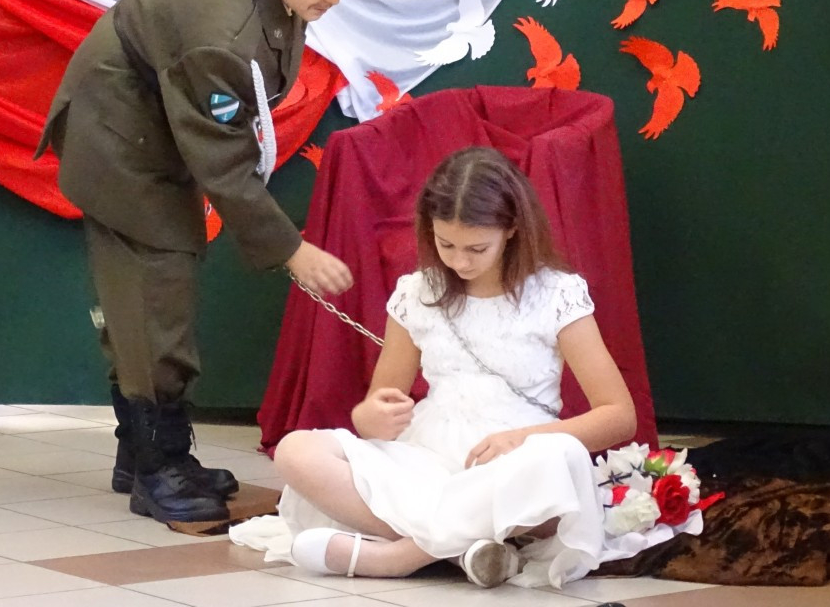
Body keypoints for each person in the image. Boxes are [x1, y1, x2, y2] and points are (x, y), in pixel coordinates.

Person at [35, 0, 385, 526]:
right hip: (120, 138)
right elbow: (222, 158)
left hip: (157, 123)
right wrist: (291, 250)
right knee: (155, 296)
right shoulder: (222, 33)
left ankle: (143, 454)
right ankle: (157, 469)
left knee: (151, 297)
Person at [258, 146, 641, 588]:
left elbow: (619, 416)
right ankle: (464, 549)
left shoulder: (556, 294)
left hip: (514, 461)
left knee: (558, 461)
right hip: (426, 458)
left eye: (477, 248)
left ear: (512, 229)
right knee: (296, 450)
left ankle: (401, 556)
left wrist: (521, 439)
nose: (459, 261)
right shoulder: (418, 292)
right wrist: (371, 417)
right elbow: (378, 409)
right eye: (446, 245)